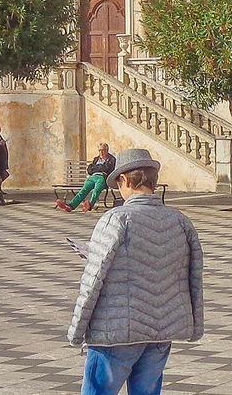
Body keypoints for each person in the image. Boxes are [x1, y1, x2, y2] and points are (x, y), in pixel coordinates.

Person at [66, 148, 203, 395]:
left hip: (115, 330)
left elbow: (93, 279)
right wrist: (195, 324)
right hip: (161, 330)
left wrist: (77, 330)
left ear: (124, 180)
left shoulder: (116, 219)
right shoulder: (180, 221)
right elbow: (193, 275)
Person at [58, 143, 117, 213]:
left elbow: (107, 169)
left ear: (107, 150)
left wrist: (96, 168)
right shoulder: (96, 159)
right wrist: (99, 167)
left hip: (102, 177)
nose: (101, 152)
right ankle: (70, 206)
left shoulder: (111, 159)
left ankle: (90, 205)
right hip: (93, 177)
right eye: (99, 150)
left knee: (96, 190)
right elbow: (89, 170)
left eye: (103, 150)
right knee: (83, 190)